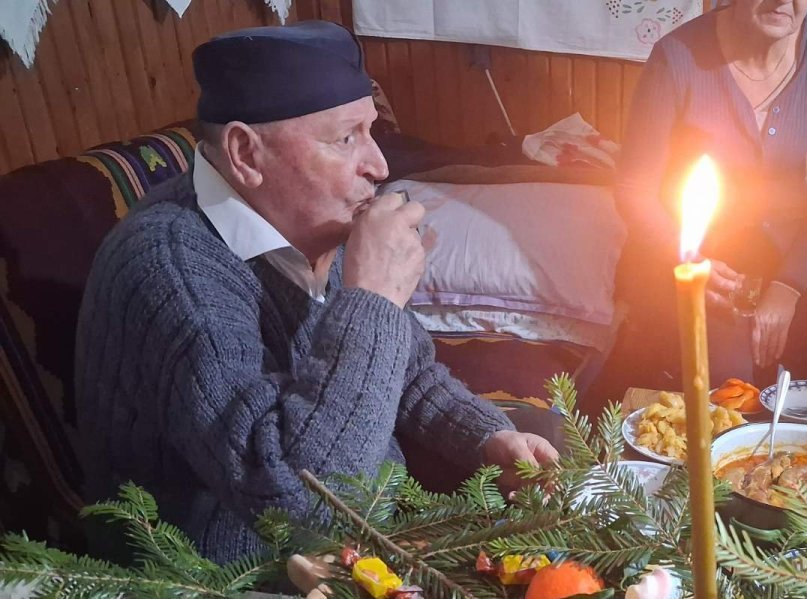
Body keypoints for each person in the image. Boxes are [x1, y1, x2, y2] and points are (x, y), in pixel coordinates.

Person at [74, 21, 557, 564]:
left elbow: (408, 372)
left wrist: (486, 438)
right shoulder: (170, 270)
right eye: (346, 138)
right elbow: (303, 509)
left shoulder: (313, 217)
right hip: (231, 571)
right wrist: (373, 300)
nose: (379, 166)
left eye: (371, 131)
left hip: (366, 532)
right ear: (245, 154)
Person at [615, 0, 807, 388]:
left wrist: (788, 287)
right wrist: (690, 261)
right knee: (727, 378)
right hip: (700, 256)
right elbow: (635, 188)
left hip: (792, 254)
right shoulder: (677, 56)